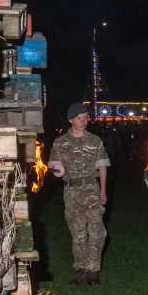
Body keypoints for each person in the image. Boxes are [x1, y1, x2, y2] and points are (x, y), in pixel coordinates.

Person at [48, 102, 111, 285]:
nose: (83, 122)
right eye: (79, 118)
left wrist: (103, 190)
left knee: (97, 230)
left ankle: (93, 270)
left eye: (85, 118)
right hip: (72, 192)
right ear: (70, 120)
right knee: (78, 232)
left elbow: (102, 167)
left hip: (92, 189)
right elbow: (54, 166)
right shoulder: (60, 142)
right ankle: (83, 270)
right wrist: (57, 170)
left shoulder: (95, 140)